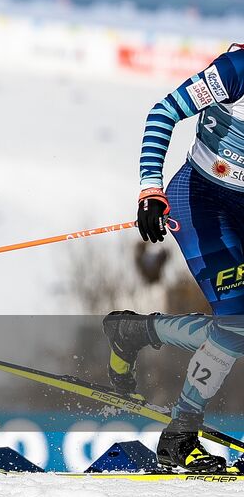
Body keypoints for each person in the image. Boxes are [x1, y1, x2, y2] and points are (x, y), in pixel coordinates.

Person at [104, 43, 244, 472]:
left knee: (235, 328)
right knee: (238, 322)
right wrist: (150, 188)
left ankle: (134, 332)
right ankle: (180, 436)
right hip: (203, 201)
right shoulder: (235, 71)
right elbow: (163, 112)